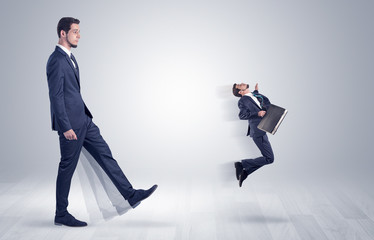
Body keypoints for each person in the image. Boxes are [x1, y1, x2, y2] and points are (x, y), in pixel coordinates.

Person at [46, 17, 157, 227]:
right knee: (67, 167)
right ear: (63, 33)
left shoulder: (71, 58)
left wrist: (83, 118)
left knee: (105, 155)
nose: (79, 35)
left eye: (79, 31)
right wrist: (65, 126)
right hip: (71, 125)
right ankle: (61, 213)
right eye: (75, 31)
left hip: (84, 120)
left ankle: (130, 194)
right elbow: (56, 96)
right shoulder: (56, 60)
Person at [232, 83, 274, 187]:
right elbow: (242, 115)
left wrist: (256, 92)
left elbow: (265, 103)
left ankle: (245, 172)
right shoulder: (242, 101)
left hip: (262, 128)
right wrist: (257, 114)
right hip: (257, 131)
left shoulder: (254, 96)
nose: (241, 83)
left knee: (268, 158)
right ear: (240, 92)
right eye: (238, 85)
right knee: (269, 159)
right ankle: (242, 164)